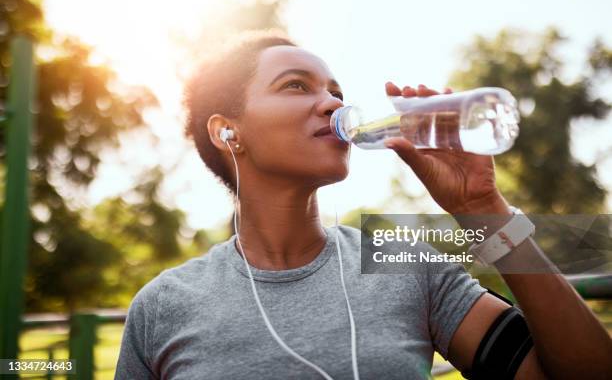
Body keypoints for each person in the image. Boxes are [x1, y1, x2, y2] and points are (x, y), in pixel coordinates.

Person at [115, 31, 612, 379]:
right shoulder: (163, 307)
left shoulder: (405, 267)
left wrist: (483, 208)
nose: (335, 105)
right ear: (228, 131)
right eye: (295, 86)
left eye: (336, 92)